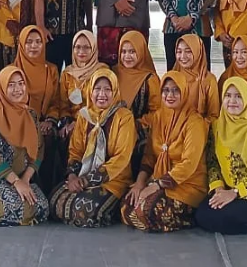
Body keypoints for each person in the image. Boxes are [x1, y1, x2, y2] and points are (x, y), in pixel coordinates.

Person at [121, 71, 208, 232]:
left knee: (146, 211)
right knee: (127, 206)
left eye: (176, 90)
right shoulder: (159, 117)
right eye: (166, 90)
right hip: (158, 180)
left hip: (187, 185)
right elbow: (149, 156)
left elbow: (188, 164)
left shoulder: (195, 122)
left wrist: (156, 185)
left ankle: (190, 218)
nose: (170, 95)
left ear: (184, 92)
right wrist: (140, 183)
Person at [51, 67, 136, 228]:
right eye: (97, 89)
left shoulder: (124, 117)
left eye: (107, 89)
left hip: (114, 179)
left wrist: (87, 180)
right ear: (90, 91)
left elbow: (121, 158)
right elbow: (75, 150)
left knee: (84, 209)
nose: (101, 94)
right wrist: (72, 177)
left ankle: (113, 208)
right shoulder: (84, 116)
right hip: (82, 175)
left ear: (115, 91)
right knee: (54, 200)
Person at [196, 77, 247, 235]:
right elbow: (212, 162)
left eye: (238, 96)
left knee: (223, 218)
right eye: (228, 95)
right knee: (202, 215)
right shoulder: (217, 127)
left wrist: (234, 192)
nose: (232, 101)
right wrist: (218, 188)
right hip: (225, 189)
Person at [0, 66, 50, 226]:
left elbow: (39, 150)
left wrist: (25, 180)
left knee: (42, 208)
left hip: (23, 176)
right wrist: (16, 182)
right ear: (2, 88)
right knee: (16, 209)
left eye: (21, 83)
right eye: (11, 85)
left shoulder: (31, 114)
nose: (17, 89)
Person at [13, 25, 63, 193]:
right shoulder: (12, 72)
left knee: (49, 136)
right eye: (28, 42)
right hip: (20, 123)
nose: (33, 46)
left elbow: (56, 101)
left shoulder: (51, 70)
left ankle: (47, 190)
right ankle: (22, 183)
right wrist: (31, 123)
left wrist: (50, 120)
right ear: (21, 44)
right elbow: (8, 105)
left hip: (44, 122)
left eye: (38, 42)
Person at [114, 30, 161, 175]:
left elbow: (157, 111)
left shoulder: (150, 79)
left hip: (139, 128)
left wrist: (138, 124)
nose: (127, 56)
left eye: (132, 51)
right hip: (113, 127)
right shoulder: (113, 73)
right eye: (124, 51)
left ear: (141, 51)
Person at [172, 34, 220, 123]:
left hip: (199, 127)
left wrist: (196, 125)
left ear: (198, 52)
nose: (183, 56)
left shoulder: (209, 80)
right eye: (179, 51)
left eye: (188, 51)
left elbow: (214, 116)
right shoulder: (172, 77)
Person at [58, 29, 102, 124]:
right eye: (77, 47)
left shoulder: (102, 71)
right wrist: (67, 122)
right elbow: (63, 104)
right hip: (71, 123)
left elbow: (103, 104)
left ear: (93, 48)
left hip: (94, 122)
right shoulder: (67, 73)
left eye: (86, 47)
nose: (81, 51)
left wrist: (80, 124)